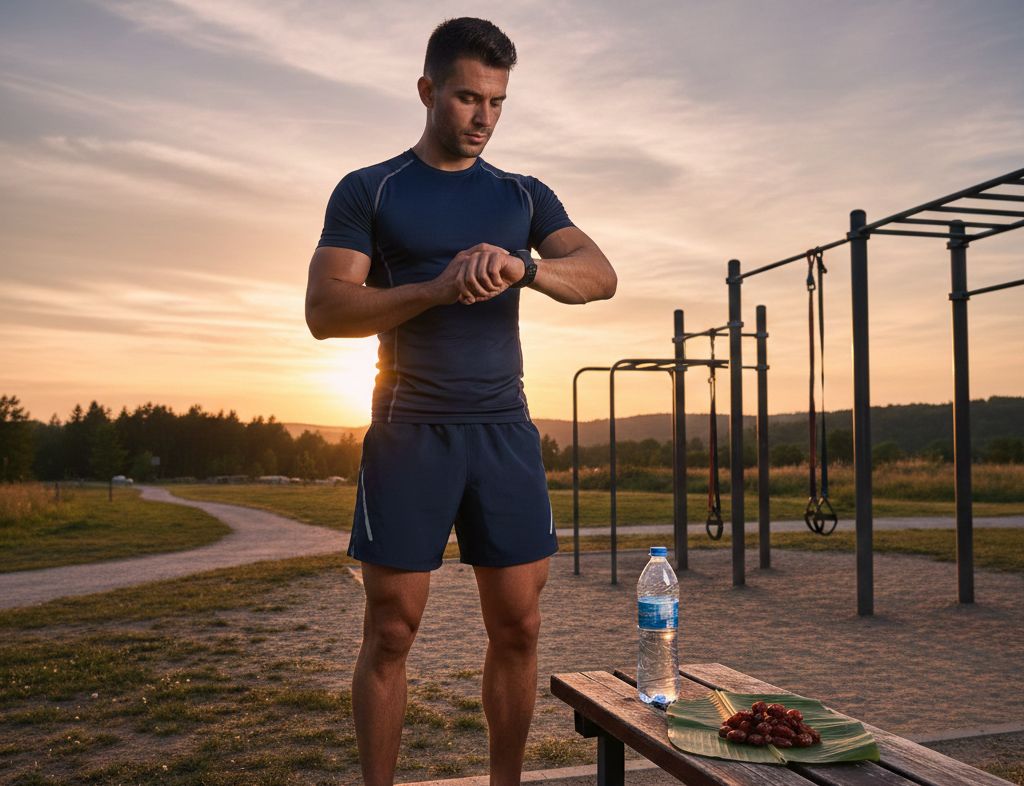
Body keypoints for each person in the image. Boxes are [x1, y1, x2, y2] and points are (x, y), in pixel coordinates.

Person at [304, 17, 616, 786]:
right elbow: (325, 311)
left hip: (504, 430)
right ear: (427, 91)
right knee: (391, 630)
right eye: (468, 97)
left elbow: (600, 275)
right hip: (410, 430)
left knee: (519, 626)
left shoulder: (522, 195)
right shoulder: (370, 189)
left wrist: (525, 268)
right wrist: (435, 288)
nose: (483, 117)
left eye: (498, 103)